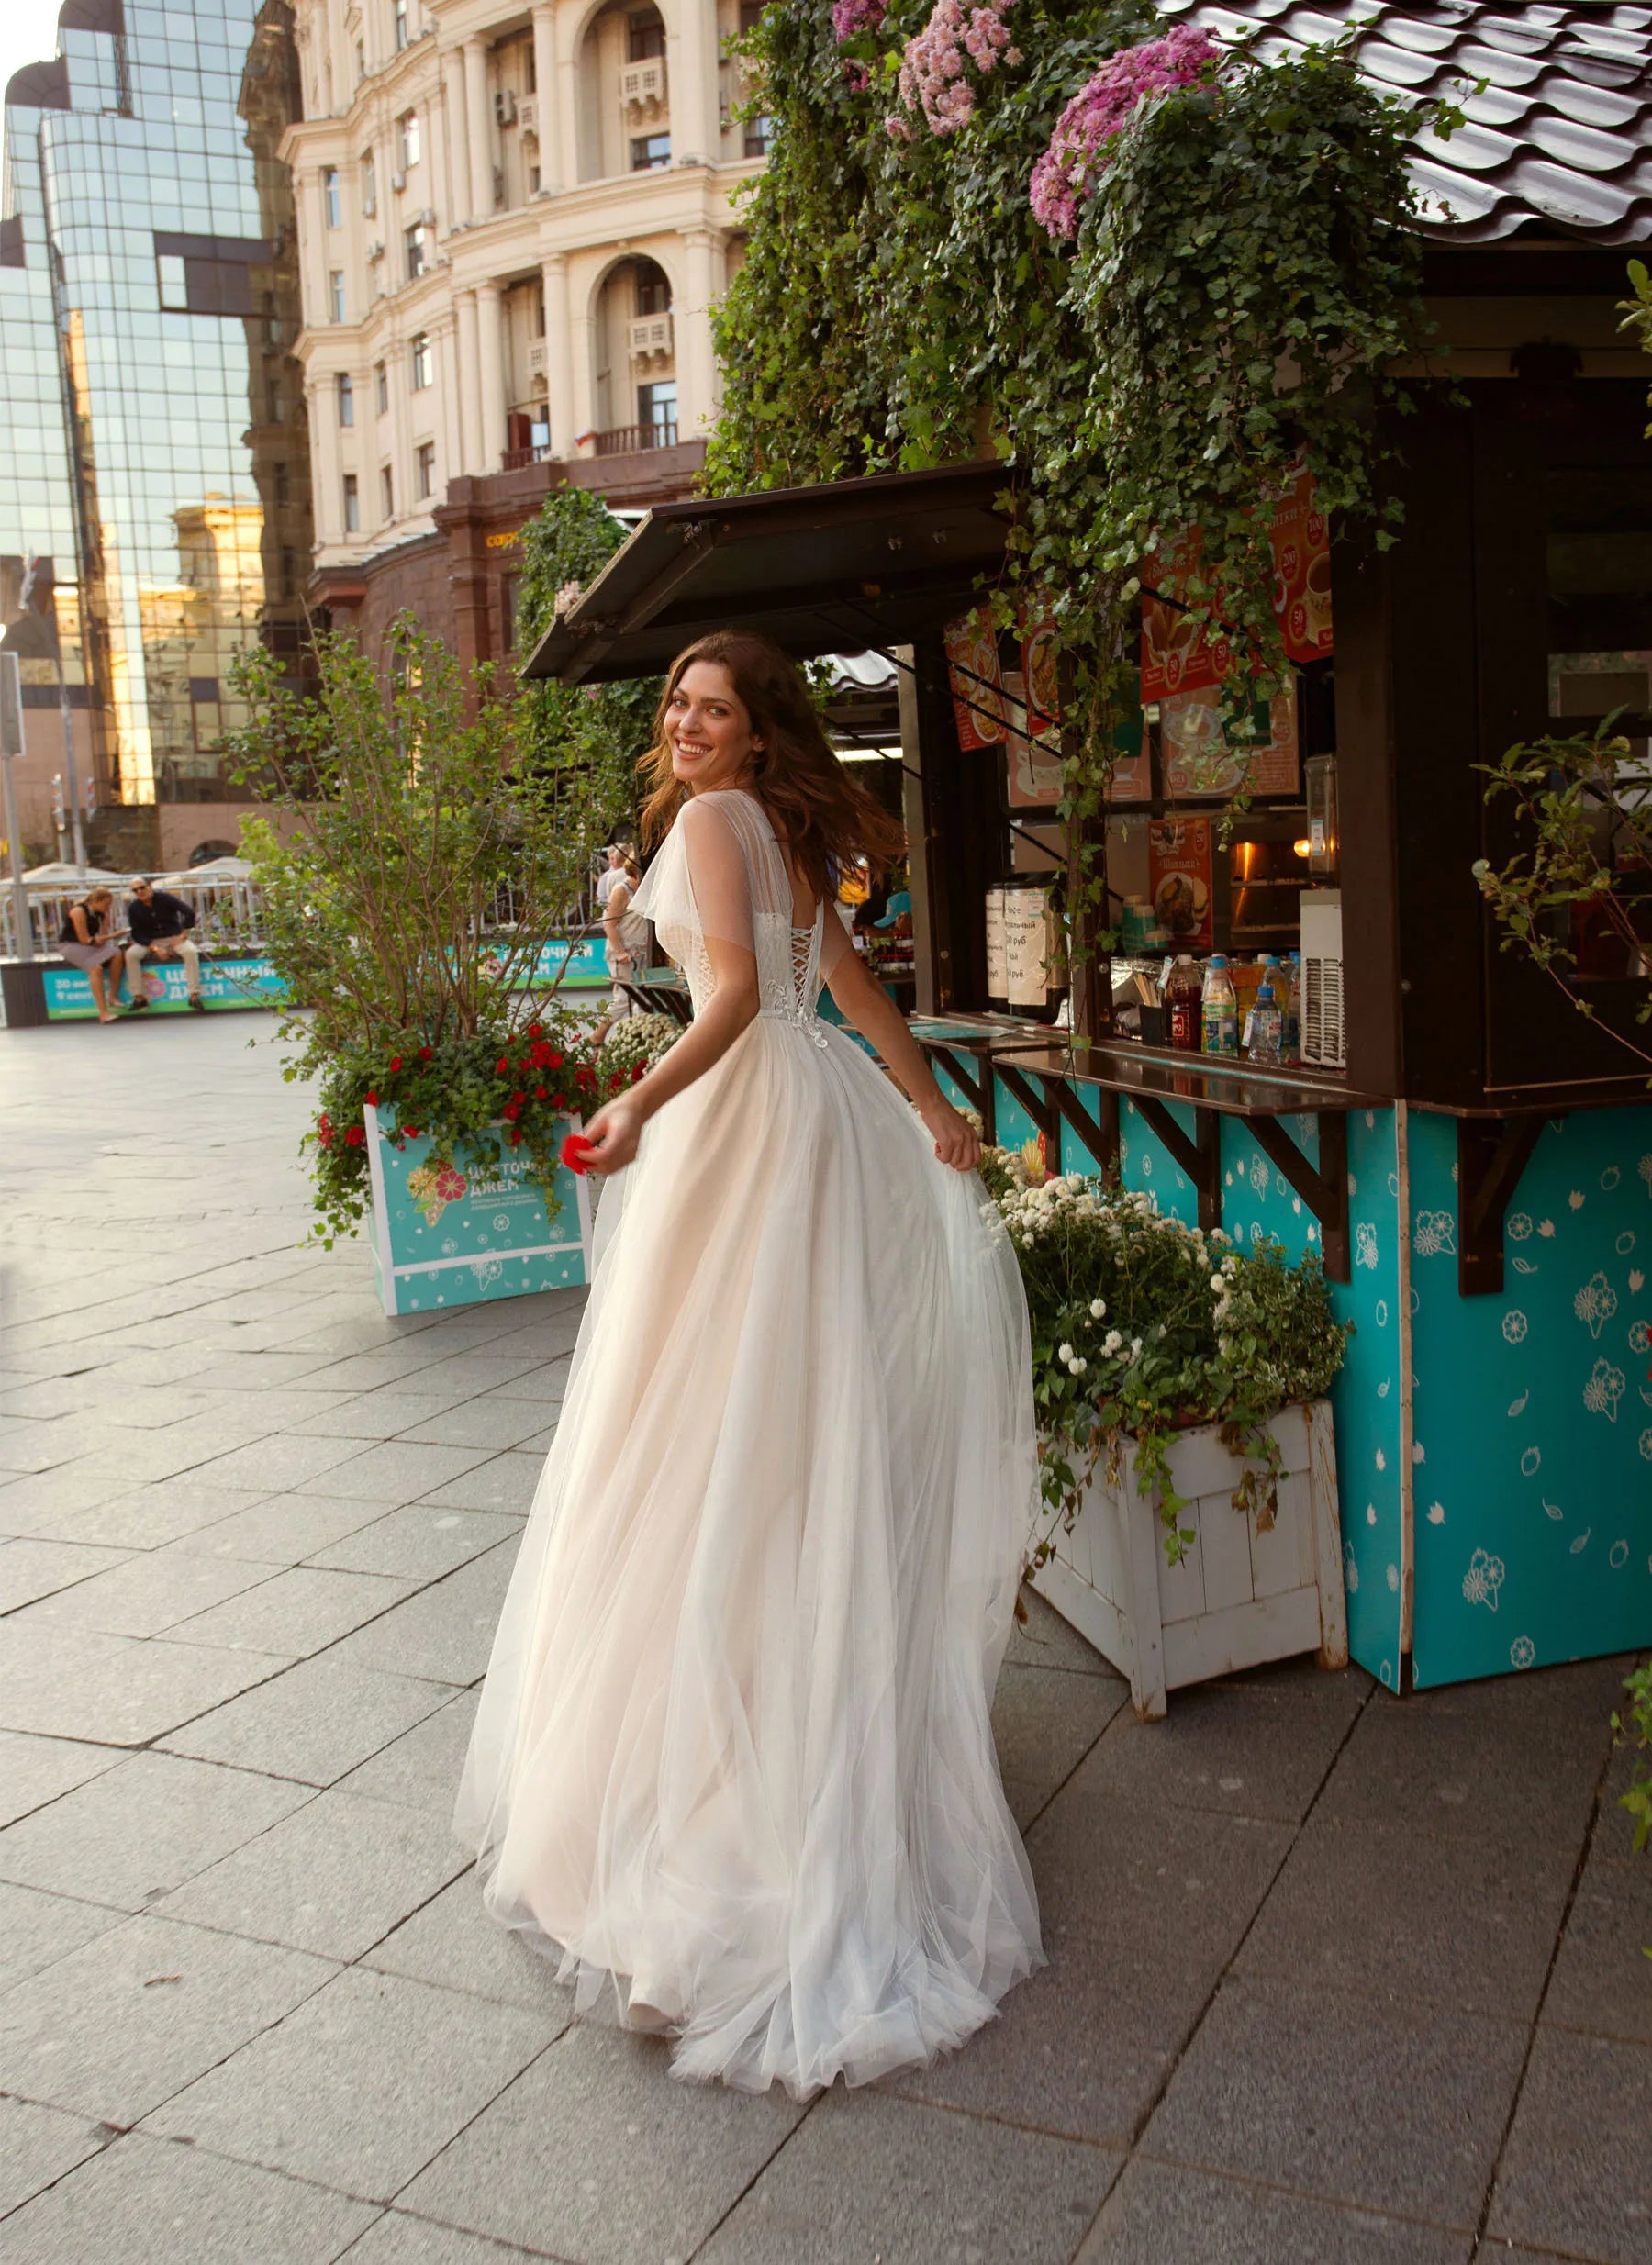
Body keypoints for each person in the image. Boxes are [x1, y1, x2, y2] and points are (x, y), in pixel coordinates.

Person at [455, 631, 1043, 2100]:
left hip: (740, 1123)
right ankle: (794, 1741)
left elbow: (728, 1008)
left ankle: (716, 1789)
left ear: (757, 731)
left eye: (714, 708)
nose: (687, 723)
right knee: (783, 1427)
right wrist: (930, 1111)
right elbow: (844, 987)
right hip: (812, 1120)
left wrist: (639, 1103)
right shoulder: (773, 830)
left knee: (698, 1431)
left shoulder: (722, 823)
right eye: (677, 704)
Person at [590, 848, 650, 1043]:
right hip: (624, 953)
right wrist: (619, 952)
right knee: (624, 999)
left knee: (643, 998)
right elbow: (609, 924)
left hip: (641, 951)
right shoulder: (621, 890)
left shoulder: (643, 889)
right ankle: (598, 1035)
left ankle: (639, 1038)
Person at [124, 877, 203, 1012]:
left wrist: (184, 934)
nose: (140, 892)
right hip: (151, 940)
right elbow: (136, 933)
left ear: (149, 886)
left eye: (142, 888)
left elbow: (188, 912)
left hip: (173, 937)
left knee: (190, 951)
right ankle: (139, 997)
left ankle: (194, 994)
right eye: (135, 890)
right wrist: (154, 948)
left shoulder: (165, 898)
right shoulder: (134, 908)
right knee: (131, 954)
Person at [58, 887, 128, 1024]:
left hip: (89, 945)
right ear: (96, 901)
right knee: (96, 969)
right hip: (70, 945)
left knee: (117, 953)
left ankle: (113, 996)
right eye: (106, 905)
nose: (108, 908)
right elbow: (85, 939)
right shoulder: (78, 911)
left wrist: (107, 924)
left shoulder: (99, 914)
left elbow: (100, 938)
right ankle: (103, 1013)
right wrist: (114, 935)